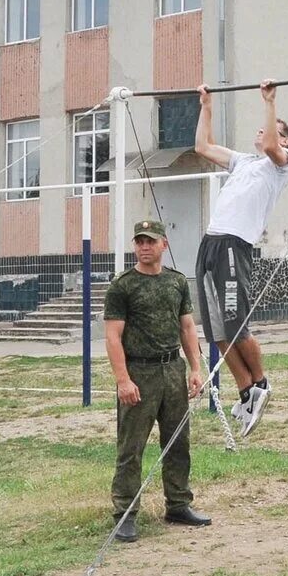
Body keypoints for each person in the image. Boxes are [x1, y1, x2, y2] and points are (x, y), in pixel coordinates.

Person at [194, 80, 288, 437]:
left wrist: (270, 102)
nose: (264, 132)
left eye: (276, 131)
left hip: (235, 246)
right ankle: (245, 392)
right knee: (217, 331)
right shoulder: (242, 162)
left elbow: (270, 143)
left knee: (236, 324)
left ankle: (261, 383)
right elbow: (202, 146)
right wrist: (206, 106)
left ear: (285, 142)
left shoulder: (280, 164)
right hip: (210, 243)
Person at [106, 220, 210, 541]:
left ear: (163, 244)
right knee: (131, 446)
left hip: (172, 370)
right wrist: (123, 380)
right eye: (139, 242)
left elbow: (187, 328)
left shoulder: (176, 282)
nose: (144, 247)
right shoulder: (122, 285)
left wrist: (195, 368)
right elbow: (113, 336)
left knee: (178, 442)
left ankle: (178, 503)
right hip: (140, 372)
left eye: (150, 241)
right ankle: (125, 512)